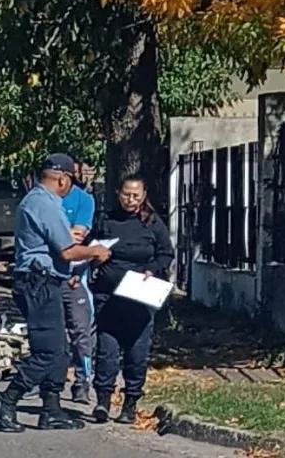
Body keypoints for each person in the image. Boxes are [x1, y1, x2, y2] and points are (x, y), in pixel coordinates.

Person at [0, 153, 111, 433]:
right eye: (70, 180)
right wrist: (95, 251)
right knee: (48, 352)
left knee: (60, 351)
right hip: (38, 283)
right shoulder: (44, 203)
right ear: (63, 178)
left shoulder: (40, 201)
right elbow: (66, 249)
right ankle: (6, 400)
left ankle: (51, 409)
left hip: (46, 281)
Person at [89, 175, 174, 425]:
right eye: (126, 194)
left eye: (136, 195)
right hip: (108, 296)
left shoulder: (152, 223)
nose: (130, 199)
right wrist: (96, 256)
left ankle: (130, 403)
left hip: (139, 297)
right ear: (119, 193)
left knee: (137, 353)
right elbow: (90, 246)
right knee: (107, 351)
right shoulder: (106, 219)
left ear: (144, 195)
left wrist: (151, 269)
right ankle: (102, 401)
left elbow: (165, 254)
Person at [62, 158, 97, 403]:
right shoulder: (41, 200)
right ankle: (47, 381)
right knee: (48, 332)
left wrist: (56, 234)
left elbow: (78, 235)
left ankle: (82, 381)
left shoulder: (84, 200)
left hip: (76, 276)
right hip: (45, 277)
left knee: (81, 331)